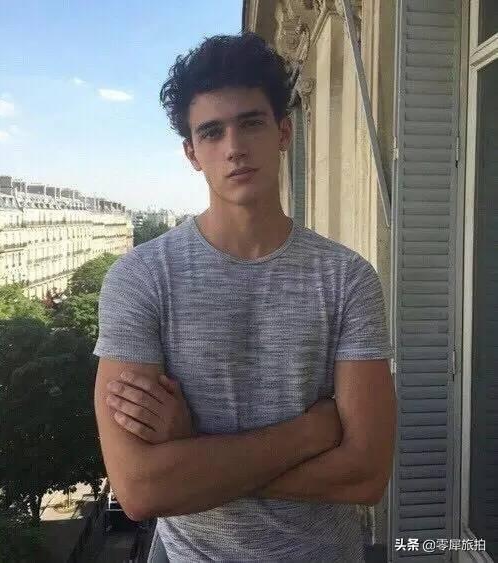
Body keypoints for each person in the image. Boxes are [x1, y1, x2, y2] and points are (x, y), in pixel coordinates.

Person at [93, 32, 397, 562]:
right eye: (211, 132)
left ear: (283, 132)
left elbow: (365, 476)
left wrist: (193, 453)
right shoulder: (140, 279)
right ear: (192, 153)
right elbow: (140, 490)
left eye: (251, 123)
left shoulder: (347, 279)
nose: (233, 146)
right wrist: (309, 434)